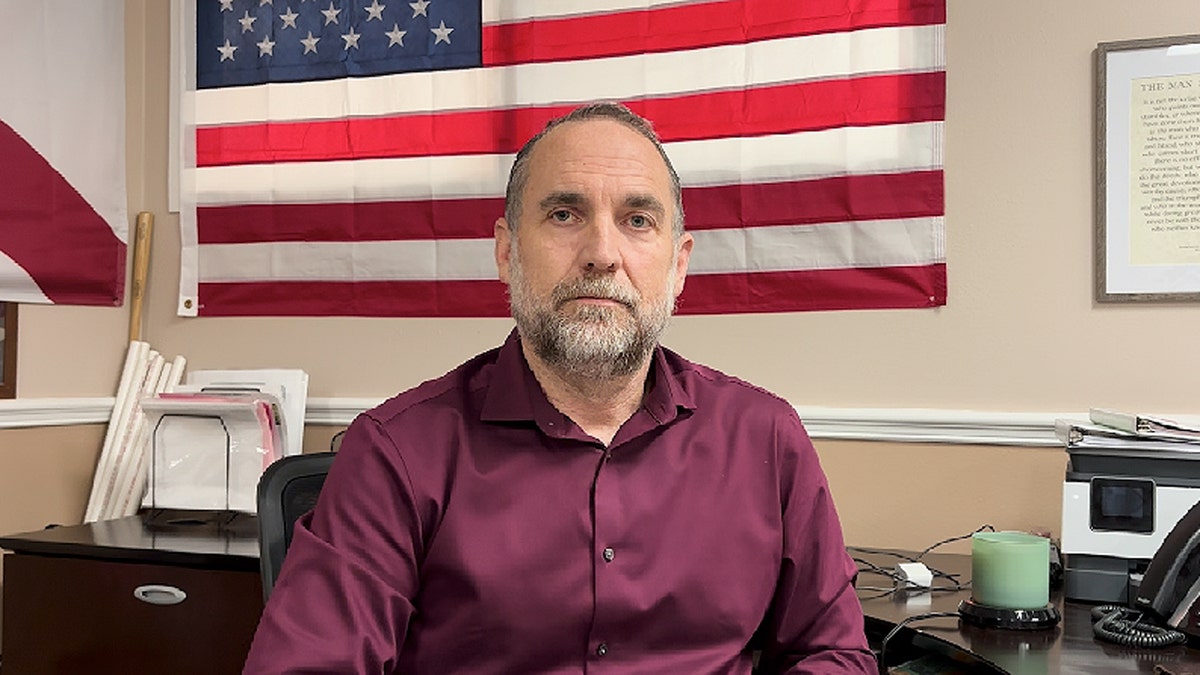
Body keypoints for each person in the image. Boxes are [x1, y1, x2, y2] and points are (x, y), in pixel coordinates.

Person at [242, 102, 876, 674]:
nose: (602, 253)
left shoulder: (766, 438)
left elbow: (833, 652)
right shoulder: (396, 453)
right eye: (565, 214)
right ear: (507, 252)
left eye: (637, 220)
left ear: (679, 264)